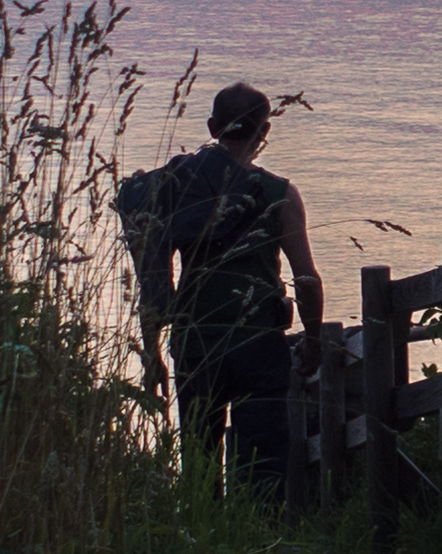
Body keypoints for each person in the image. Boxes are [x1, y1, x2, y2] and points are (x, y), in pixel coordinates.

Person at [123, 81, 325, 489]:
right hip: (260, 342)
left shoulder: (177, 189)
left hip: (196, 342)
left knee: (198, 456)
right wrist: (315, 339)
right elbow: (306, 278)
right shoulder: (279, 194)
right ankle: (260, 543)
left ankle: (204, 538)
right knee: (264, 464)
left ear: (212, 127)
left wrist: (151, 354)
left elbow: (154, 277)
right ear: (264, 132)